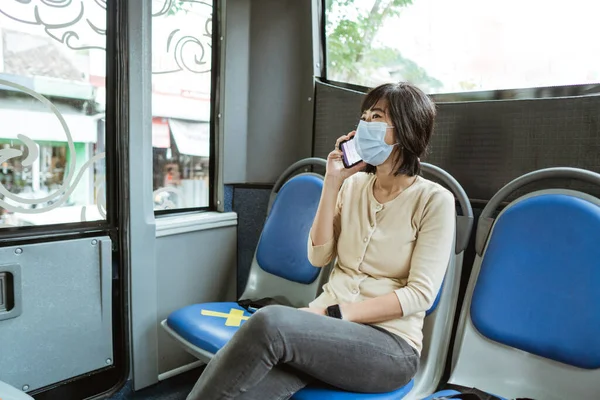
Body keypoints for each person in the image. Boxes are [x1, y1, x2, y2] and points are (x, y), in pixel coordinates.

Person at [186, 82, 456, 400]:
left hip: (390, 347)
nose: (365, 125)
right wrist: (333, 182)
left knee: (270, 322)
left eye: (377, 117)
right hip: (326, 332)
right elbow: (319, 257)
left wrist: (335, 314)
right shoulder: (353, 186)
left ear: (406, 130)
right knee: (248, 391)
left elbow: (420, 295)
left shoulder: (435, 200)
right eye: (364, 117)